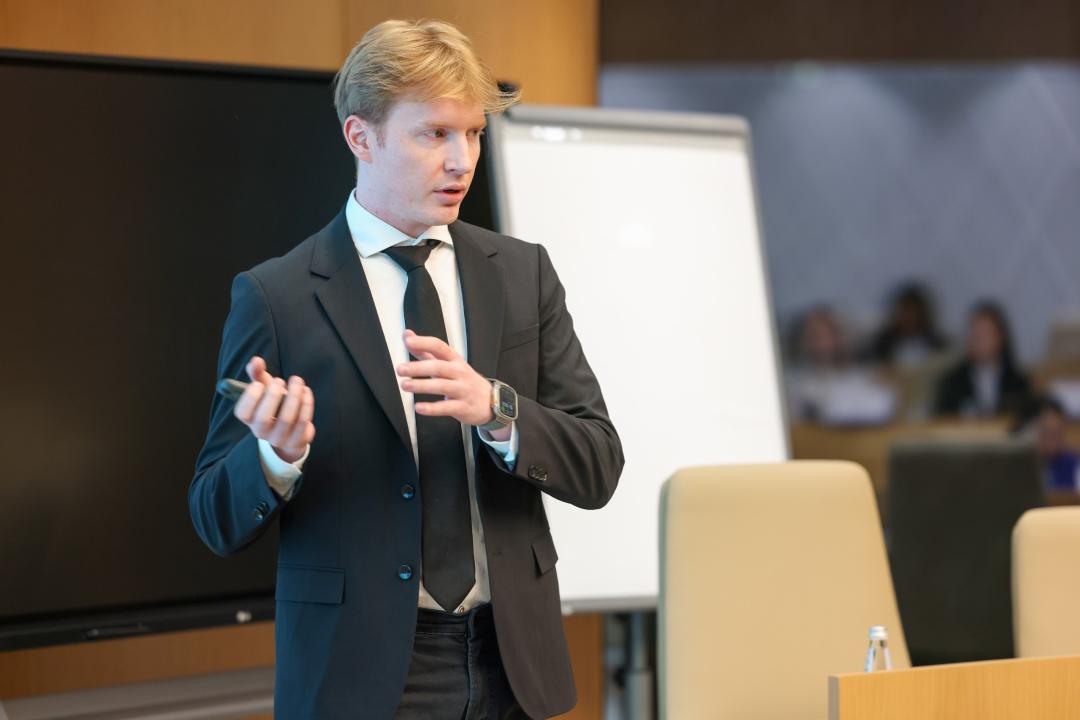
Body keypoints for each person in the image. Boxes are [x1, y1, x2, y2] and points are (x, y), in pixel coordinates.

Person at [189, 19, 623, 720]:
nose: (462, 160)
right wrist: (275, 455)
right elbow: (213, 516)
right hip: (362, 675)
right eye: (434, 134)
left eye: (473, 133)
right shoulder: (279, 295)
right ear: (361, 138)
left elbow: (599, 464)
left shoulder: (522, 273)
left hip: (514, 662)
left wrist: (498, 409)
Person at [783, 305, 897, 425]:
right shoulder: (795, 384)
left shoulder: (863, 376)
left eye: (832, 332)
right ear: (803, 342)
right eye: (817, 336)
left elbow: (883, 407)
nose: (825, 343)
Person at [932, 301, 1032, 418]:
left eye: (984, 333)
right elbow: (941, 420)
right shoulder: (951, 383)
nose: (977, 339)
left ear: (1001, 337)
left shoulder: (1018, 383)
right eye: (974, 333)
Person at [864, 282, 947, 368]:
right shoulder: (882, 343)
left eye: (913, 312)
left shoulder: (936, 343)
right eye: (905, 312)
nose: (909, 317)